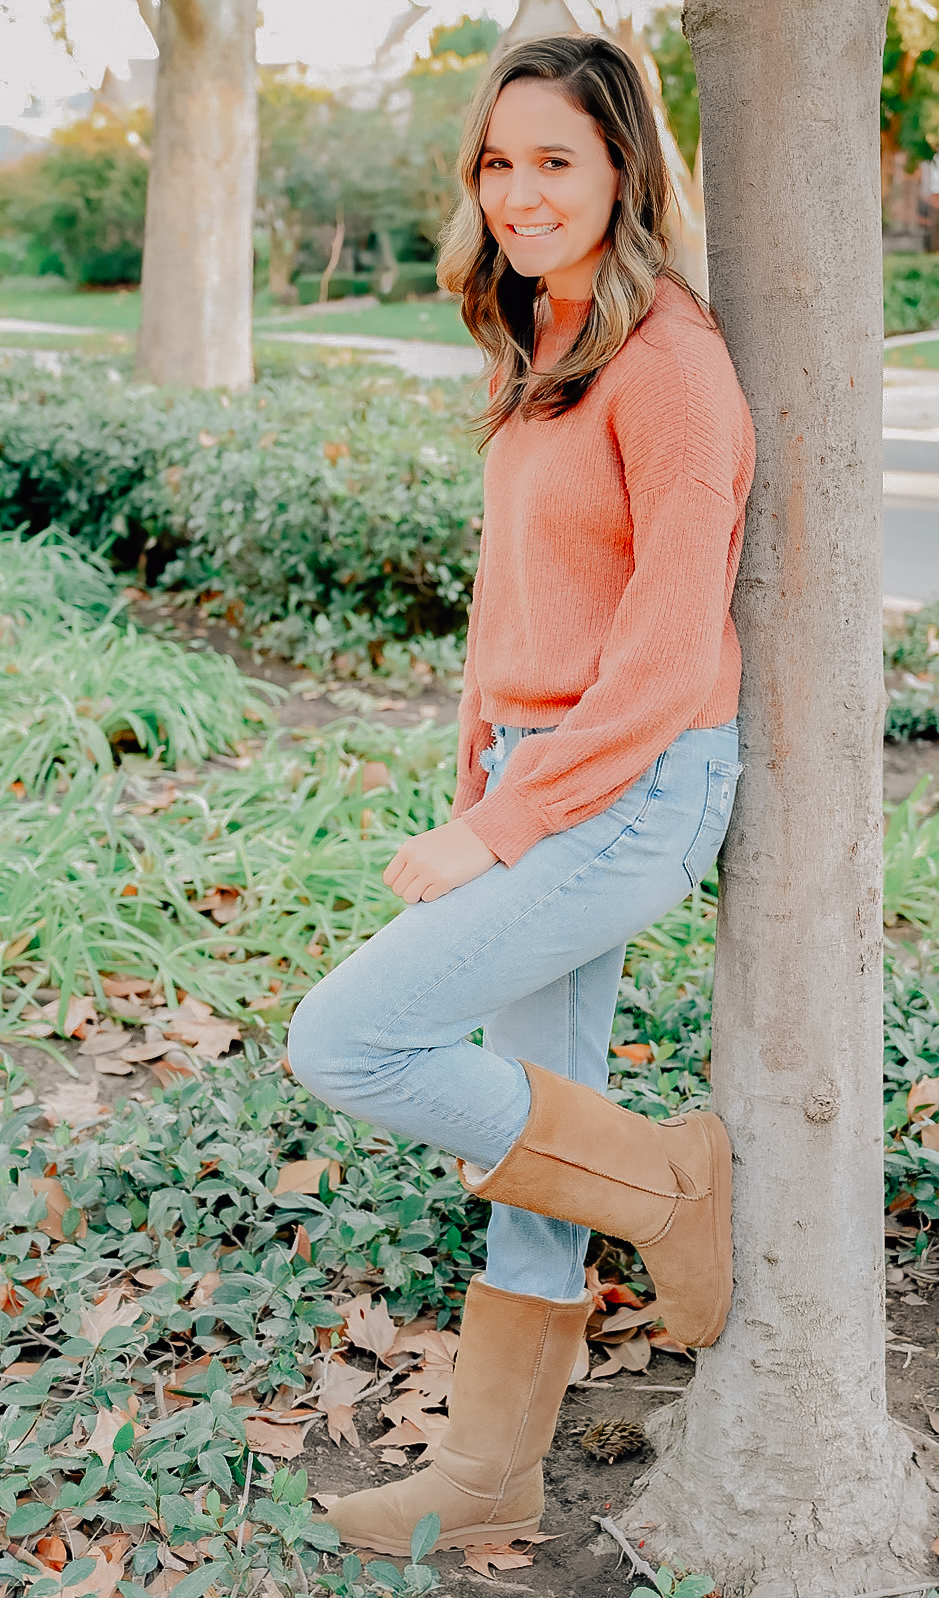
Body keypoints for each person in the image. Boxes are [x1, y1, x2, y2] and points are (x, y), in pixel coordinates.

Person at [287, 32, 755, 1558]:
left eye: (556, 160)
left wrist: (504, 820)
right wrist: (476, 761)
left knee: (347, 1036)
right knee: (533, 1141)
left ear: (627, 168)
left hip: (627, 794)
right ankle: (492, 1471)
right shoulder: (536, 339)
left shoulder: (671, 363)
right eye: (499, 161)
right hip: (538, 776)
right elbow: (523, 601)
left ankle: (668, 1188)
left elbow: (668, 656)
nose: (519, 192)